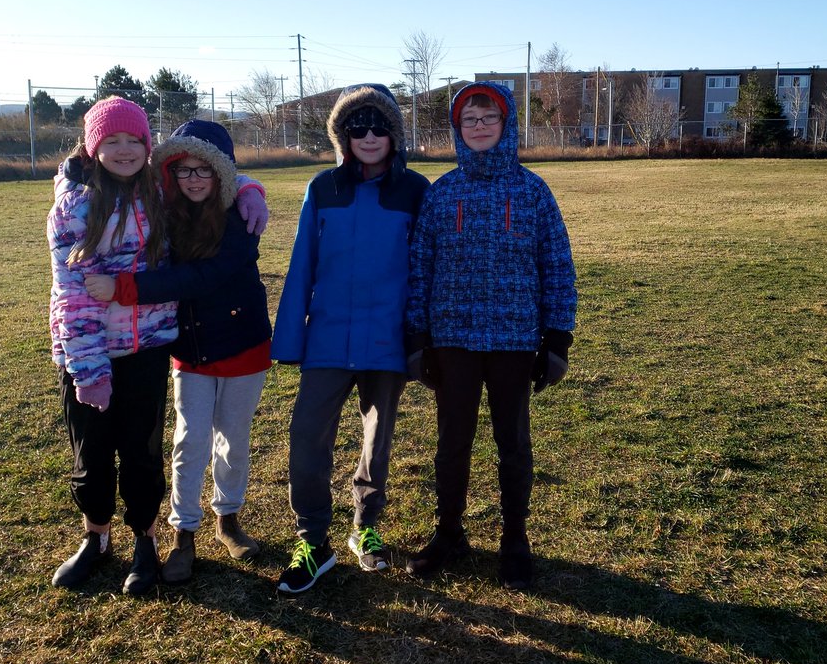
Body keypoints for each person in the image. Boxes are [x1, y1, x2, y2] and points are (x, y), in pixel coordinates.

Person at [48, 97, 268, 596]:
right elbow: (72, 295)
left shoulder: (156, 197)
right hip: (89, 354)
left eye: (135, 140)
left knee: (143, 455)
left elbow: (210, 176)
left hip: (147, 348)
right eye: (112, 140)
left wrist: (249, 188)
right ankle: (96, 539)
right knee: (92, 455)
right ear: (93, 146)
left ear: (148, 148)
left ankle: (146, 542)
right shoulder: (75, 205)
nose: (125, 149)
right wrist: (89, 368)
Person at [405, 81, 577, 591]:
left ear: (507, 124)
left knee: (513, 443)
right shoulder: (442, 193)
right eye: (469, 120)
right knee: (452, 442)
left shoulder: (532, 191)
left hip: (514, 340)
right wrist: (417, 338)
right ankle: (449, 533)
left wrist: (557, 340)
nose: (479, 127)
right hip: (452, 340)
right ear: (457, 129)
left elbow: (557, 265)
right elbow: (420, 268)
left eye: (488, 118)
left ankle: (515, 539)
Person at [271, 84, 430, 594]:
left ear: (394, 134)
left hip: (388, 339)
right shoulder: (323, 188)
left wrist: (422, 338)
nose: (369, 135)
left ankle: (365, 526)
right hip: (328, 338)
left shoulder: (415, 190)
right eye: (357, 127)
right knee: (307, 436)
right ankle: (313, 540)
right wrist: (290, 339)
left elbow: (427, 269)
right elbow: (302, 265)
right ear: (342, 135)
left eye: (379, 126)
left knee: (377, 438)